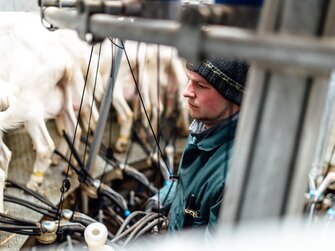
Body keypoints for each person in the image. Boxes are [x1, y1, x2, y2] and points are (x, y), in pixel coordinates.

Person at [147, 55, 250, 234]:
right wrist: (162, 200)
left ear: (233, 97)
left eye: (201, 86)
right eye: (189, 81)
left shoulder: (237, 181)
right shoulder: (205, 128)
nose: (186, 92)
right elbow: (187, 186)